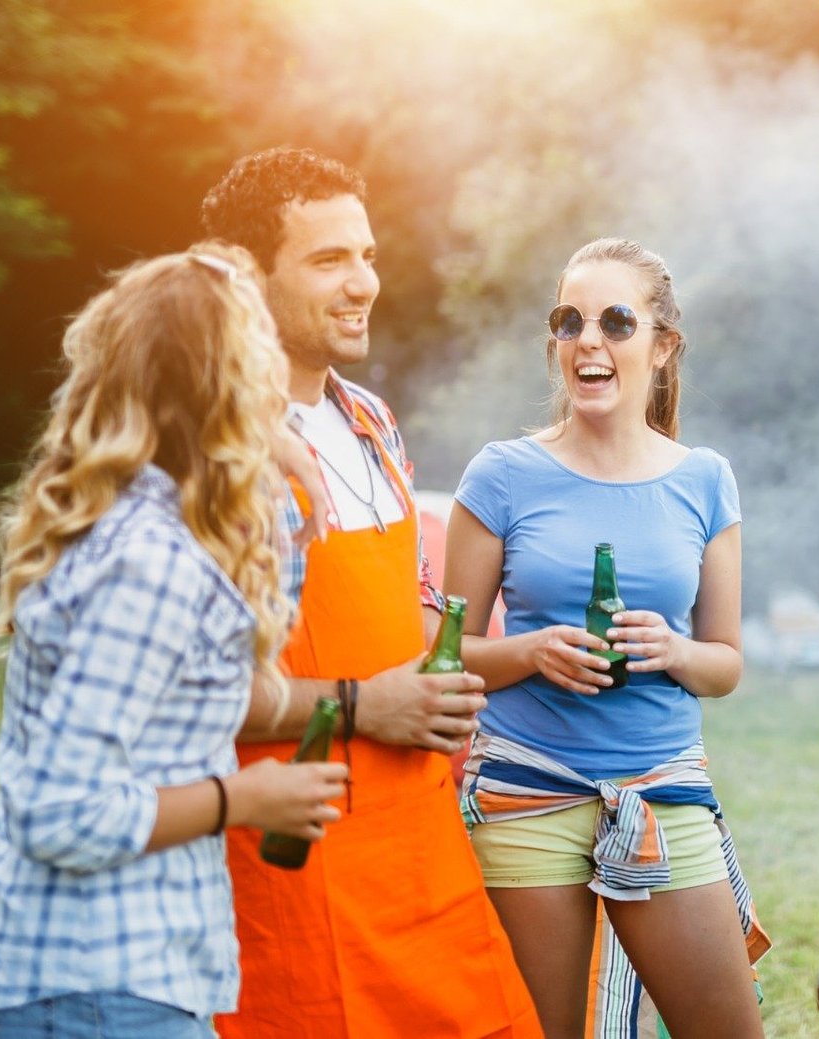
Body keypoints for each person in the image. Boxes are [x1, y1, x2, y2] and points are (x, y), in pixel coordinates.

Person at [0, 243, 349, 1038]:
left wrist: (280, 474)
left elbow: (227, 652)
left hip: (83, 977)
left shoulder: (134, 517)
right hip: (95, 986)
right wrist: (242, 798)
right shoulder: (151, 561)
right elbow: (57, 811)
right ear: (233, 382)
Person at [199, 147, 541, 1039]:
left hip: (420, 852)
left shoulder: (374, 424)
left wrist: (525, 657)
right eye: (328, 260)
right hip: (287, 871)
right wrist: (364, 705)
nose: (363, 284)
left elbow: (415, 619)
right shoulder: (209, 451)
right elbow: (183, 691)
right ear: (247, 276)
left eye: (368, 256)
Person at [445, 237, 765, 1039]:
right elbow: (437, 650)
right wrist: (531, 651)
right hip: (524, 790)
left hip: (661, 791)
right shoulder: (502, 474)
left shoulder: (704, 480)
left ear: (662, 346)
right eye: (569, 321)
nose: (588, 339)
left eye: (615, 321)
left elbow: (724, 663)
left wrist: (674, 650)